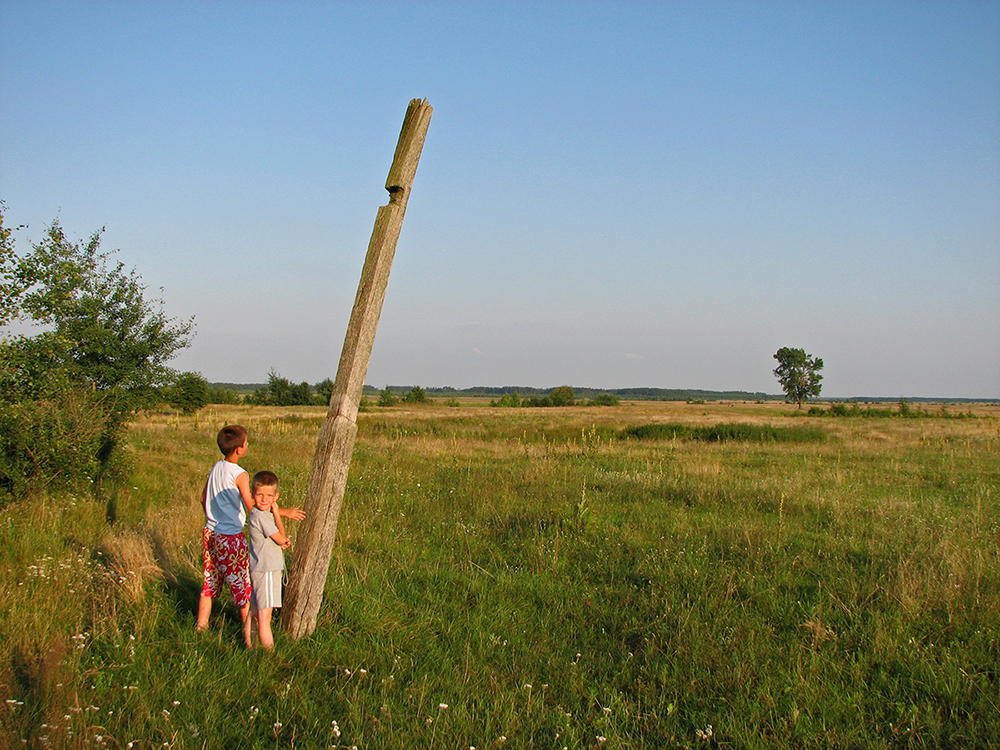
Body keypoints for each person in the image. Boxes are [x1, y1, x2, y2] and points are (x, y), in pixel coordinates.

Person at [195, 425, 303, 646]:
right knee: (243, 587)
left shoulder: (216, 467)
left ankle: (201, 626)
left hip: (210, 532)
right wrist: (282, 512)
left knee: (210, 580)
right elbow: (253, 506)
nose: (247, 445)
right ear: (239, 449)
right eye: (246, 443)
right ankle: (252, 636)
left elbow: (203, 496)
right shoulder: (240, 474)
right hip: (229, 536)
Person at [247, 470, 290, 650]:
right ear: (252, 495)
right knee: (265, 616)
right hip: (266, 570)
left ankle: (252, 648)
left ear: (275, 496)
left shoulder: (259, 514)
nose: (264, 500)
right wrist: (278, 515)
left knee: (254, 611)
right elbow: (281, 538)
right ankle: (268, 654)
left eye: (269, 496)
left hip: (259, 568)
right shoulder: (262, 517)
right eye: (260, 495)